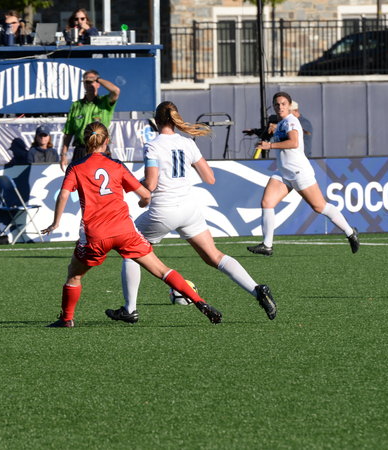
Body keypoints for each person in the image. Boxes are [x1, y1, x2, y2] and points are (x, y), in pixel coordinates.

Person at [106, 101, 277, 324]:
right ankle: (257, 289)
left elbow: (152, 183)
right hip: (189, 210)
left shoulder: (153, 145)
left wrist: (138, 188)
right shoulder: (187, 143)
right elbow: (210, 178)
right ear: (175, 119)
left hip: (164, 210)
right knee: (214, 256)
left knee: (130, 251)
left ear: (156, 121)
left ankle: (130, 309)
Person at [42, 122, 223, 328]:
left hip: (96, 235)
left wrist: (55, 222)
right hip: (125, 231)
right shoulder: (117, 165)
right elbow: (145, 194)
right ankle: (200, 302)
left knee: (74, 275)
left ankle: (66, 319)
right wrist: (144, 201)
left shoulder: (76, 167)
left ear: (85, 141)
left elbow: (63, 195)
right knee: (162, 270)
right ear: (107, 140)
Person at [247, 91, 360, 256]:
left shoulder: (291, 121)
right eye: (277, 104)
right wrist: (262, 132)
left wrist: (269, 146)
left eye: (283, 104)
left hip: (298, 171)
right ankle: (267, 245)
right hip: (283, 172)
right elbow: (274, 135)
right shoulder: (279, 122)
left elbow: (293, 142)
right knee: (267, 203)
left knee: (319, 206)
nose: (280, 107)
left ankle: (350, 232)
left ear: (289, 106)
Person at [60, 69, 120, 171]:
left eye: (92, 81)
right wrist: (63, 154)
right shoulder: (76, 105)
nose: (89, 84)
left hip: (100, 148)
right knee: (79, 179)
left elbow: (116, 91)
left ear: (98, 84)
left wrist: (97, 79)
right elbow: (68, 132)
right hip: (81, 149)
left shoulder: (104, 102)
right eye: (86, 82)